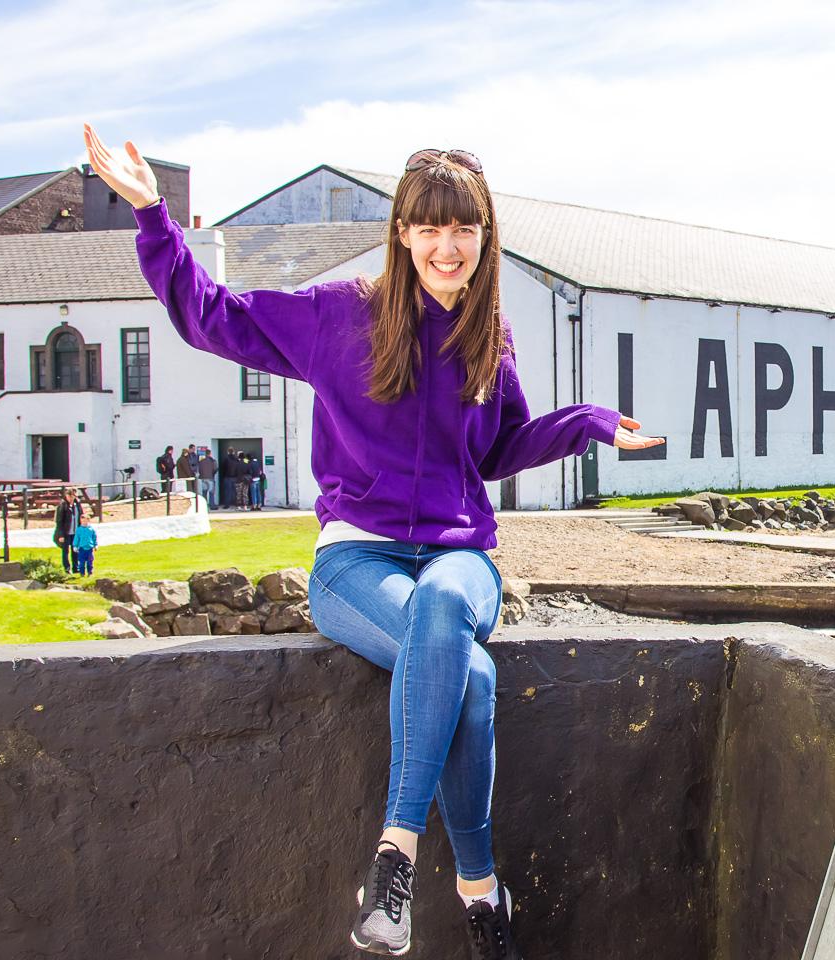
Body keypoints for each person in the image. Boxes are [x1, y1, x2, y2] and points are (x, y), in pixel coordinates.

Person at [85, 124, 663, 958]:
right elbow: (209, 316)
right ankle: (477, 888)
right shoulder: (336, 317)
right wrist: (152, 217)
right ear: (402, 233)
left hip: (462, 559)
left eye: (464, 227)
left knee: (445, 605)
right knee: (470, 671)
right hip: (356, 559)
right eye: (429, 226)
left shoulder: (488, 339)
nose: (447, 245)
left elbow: (496, 453)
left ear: (484, 236)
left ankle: (393, 856)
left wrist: (587, 424)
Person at [52, 488, 82, 573]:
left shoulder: (77, 504)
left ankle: (76, 568)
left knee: (75, 550)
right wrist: (61, 535)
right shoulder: (63, 505)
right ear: (66, 496)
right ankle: (67, 568)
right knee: (65, 551)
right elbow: (59, 521)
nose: (71, 498)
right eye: (70, 496)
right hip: (66, 532)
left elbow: (81, 516)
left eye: (73, 496)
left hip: (75, 531)